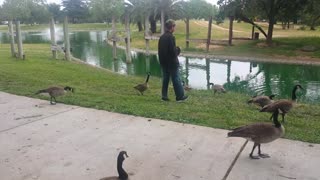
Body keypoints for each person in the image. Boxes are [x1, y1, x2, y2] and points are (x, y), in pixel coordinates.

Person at [158, 19, 188, 102]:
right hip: (172, 63)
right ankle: (180, 97)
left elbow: (161, 51)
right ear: (172, 27)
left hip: (164, 62)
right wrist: (178, 49)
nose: (174, 28)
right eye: (174, 26)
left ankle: (164, 96)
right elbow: (173, 52)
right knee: (176, 78)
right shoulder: (171, 37)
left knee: (166, 79)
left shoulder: (162, 37)